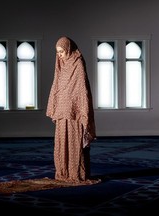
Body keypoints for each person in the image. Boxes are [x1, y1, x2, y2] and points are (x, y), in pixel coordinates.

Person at [46, 36, 99, 184]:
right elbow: (56, 86)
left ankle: (76, 173)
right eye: (57, 52)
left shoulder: (78, 62)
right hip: (62, 112)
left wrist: (81, 110)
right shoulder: (60, 65)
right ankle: (63, 173)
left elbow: (82, 89)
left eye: (62, 51)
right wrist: (55, 106)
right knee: (61, 143)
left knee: (74, 143)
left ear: (68, 49)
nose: (59, 55)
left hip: (75, 113)